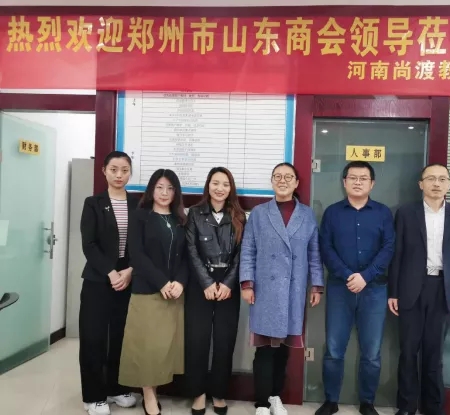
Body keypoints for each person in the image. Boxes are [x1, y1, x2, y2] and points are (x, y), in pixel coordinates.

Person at [240, 162, 324, 415]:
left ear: (296, 183)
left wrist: (316, 285)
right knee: (265, 350)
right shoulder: (259, 213)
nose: (283, 180)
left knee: (284, 350)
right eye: (278, 176)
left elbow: (314, 253)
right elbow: (248, 249)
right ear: (272, 181)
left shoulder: (306, 215)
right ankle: (261, 403)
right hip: (265, 290)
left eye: (289, 177)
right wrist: (247, 283)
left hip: (293, 290)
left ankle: (275, 396)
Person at [388, 163, 450, 415]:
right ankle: (406, 406)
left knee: (435, 354)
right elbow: (397, 255)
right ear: (421, 184)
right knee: (408, 351)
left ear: (449, 184)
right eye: (431, 178)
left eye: (442, 179)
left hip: (443, 289)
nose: (436, 183)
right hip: (411, 288)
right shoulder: (406, 213)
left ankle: (433, 407)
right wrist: (393, 292)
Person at [316, 161, 395, 415]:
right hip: (340, 289)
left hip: (374, 290)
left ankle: (367, 402)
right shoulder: (332, 213)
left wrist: (366, 276)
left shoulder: (383, 213)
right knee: (334, 349)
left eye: (363, 178)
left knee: (372, 352)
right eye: (353, 177)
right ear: (344, 182)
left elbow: (389, 248)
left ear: (372, 183)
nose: (358, 182)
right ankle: (331, 400)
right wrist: (348, 275)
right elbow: (325, 248)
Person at [118, 169, 188, 415]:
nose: (164, 193)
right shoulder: (140, 217)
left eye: (170, 188)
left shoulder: (180, 219)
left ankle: (154, 391)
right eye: (159, 187)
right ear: (151, 190)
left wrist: (180, 282)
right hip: (148, 291)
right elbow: (137, 255)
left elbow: (186, 257)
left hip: (174, 294)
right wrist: (162, 282)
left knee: (163, 348)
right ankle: (148, 395)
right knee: (146, 347)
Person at [79, 150, 139, 415]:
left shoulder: (137, 204)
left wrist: (130, 271)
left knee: (120, 337)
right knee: (93, 338)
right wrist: (111, 273)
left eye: (124, 170)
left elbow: (141, 244)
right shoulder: (93, 203)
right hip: (98, 280)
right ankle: (93, 396)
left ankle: (115, 388)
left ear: (130, 173)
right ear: (104, 170)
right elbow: (89, 244)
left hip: (127, 280)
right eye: (114, 169)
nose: (119, 175)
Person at [185, 167, 246, 415]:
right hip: (200, 283)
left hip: (228, 285)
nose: (220, 188)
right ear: (208, 185)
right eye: (215, 183)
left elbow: (242, 254)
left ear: (231, 189)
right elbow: (191, 250)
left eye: (225, 184)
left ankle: (219, 393)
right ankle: (198, 393)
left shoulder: (239, 216)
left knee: (224, 341)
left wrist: (228, 283)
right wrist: (207, 283)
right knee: (197, 340)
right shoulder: (194, 213)